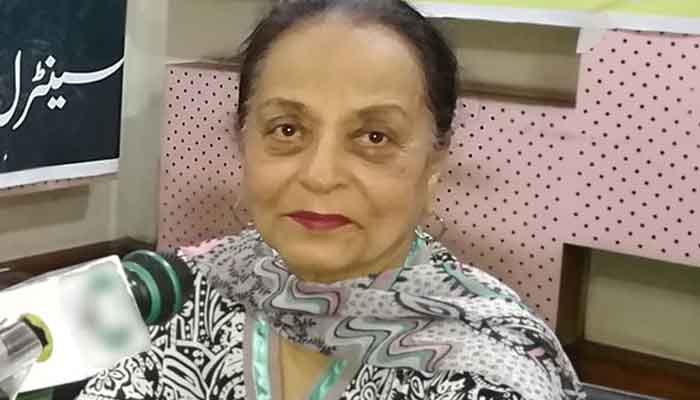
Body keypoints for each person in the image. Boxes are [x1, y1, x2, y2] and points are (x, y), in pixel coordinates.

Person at [78, 1, 584, 399]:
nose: (320, 176)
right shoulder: (175, 294)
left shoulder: (491, 371)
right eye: (287, 129)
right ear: (244, 141)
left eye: (375, 137)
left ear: (433, 165)